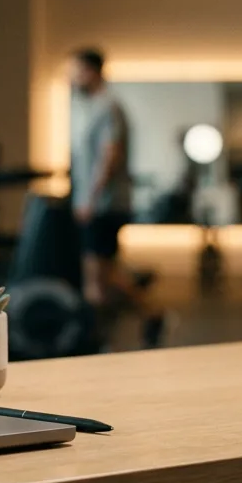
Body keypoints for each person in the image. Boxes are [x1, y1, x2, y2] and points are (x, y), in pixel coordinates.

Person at [68, 47, 167, 348]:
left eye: (76, 70)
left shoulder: (107, 107)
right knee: (105, 277)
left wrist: (91, 199)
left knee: (95, 283)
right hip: (100, 203)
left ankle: (99, 340)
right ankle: (147, 315)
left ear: (92, 71)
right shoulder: (96, 106)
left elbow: (110, 155)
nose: (72, 78)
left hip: (103, 206)